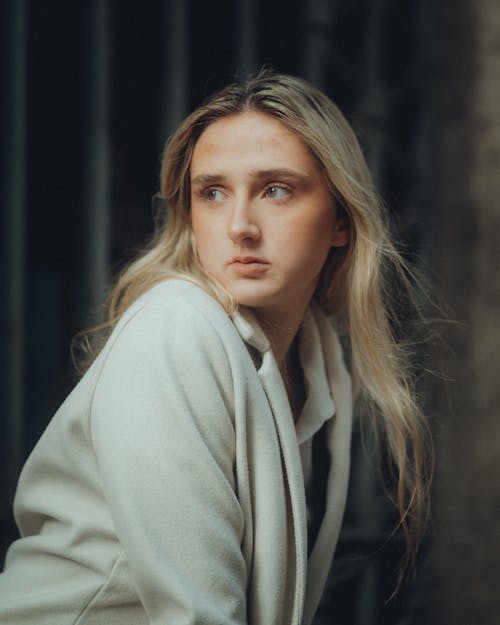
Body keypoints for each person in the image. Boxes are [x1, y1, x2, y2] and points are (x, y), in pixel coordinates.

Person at [0, 71, 432, 624]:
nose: (240, 227)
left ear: (342, 220)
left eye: (276, 190)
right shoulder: (175, 328)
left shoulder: (317, 359)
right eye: (213, 192)